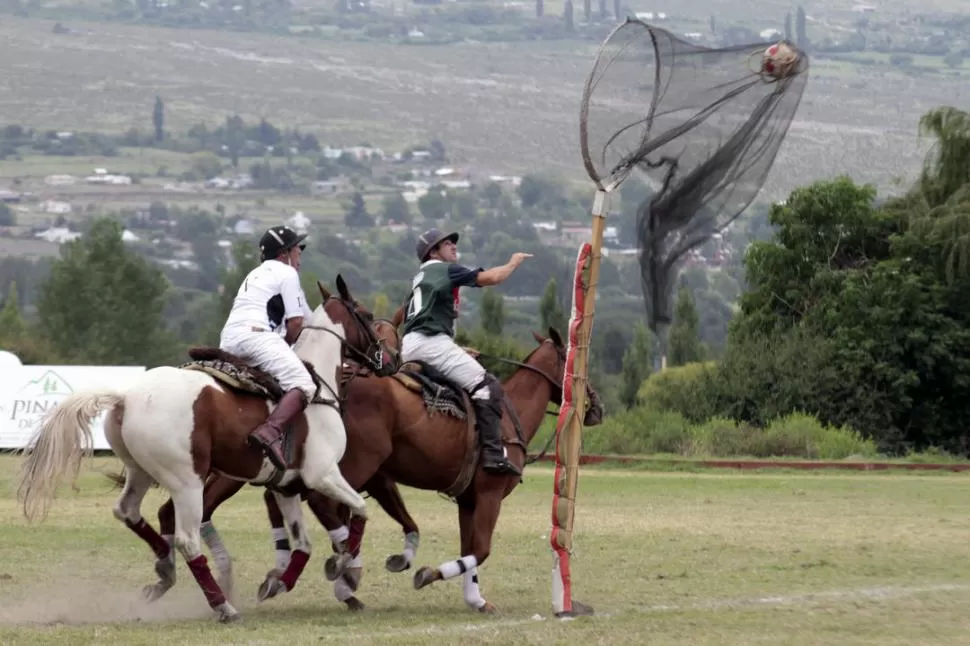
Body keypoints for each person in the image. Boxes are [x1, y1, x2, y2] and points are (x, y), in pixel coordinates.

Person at [401, 228, 532, 477]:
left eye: (453, 243)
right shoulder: (443, 269)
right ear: (433, 252)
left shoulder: (420, 276)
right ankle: (493, 456)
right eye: (446, 243)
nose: (453, 246)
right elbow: (492, 278)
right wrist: (513, 263)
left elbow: (420, 320)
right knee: (487, 387)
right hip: (431, 344)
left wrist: (456, 350)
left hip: (412, 344)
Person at [220, 225, 316, 471]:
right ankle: (270, 431)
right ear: (285, 253)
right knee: (304, 385)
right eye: (298, 249)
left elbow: (309, 318)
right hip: (258, 337)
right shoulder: (287, 273)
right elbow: (296, 322)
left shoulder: (255, 274)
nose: (300, 255)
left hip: (229, 340)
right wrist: (285, 345)